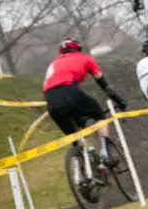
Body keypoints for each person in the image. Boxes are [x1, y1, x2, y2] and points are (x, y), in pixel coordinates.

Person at [43, 39, 127, 167]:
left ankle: (80, 175)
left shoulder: (53, 64)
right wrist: (119, 101)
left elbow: (48, 85)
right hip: (70, 91)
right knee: (99, 115)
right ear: (78, 49)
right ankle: (105, 153)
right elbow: (104, 85)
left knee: (75, 140)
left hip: (51, 99)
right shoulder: (86, 58)